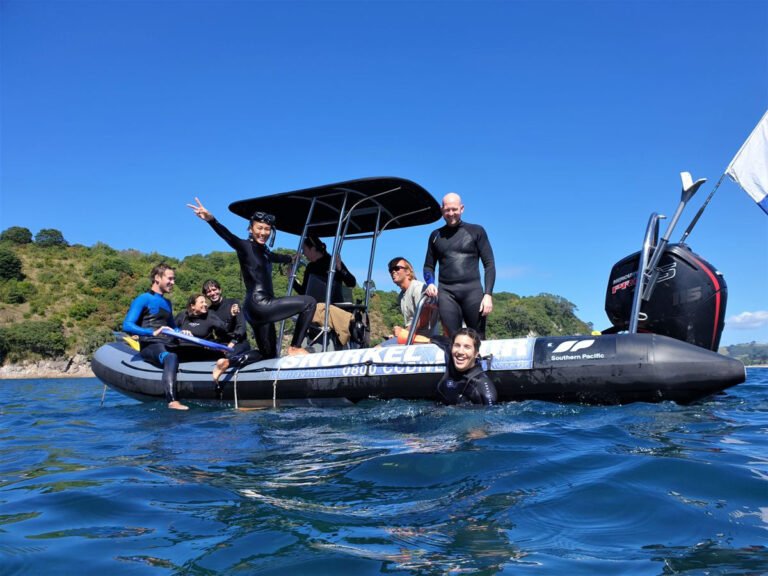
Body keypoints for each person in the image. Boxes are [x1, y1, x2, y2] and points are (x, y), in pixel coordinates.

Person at [188, 197, 316, 359]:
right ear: (250, 229)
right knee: (309, 303)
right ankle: (296, 347)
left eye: (267, 229)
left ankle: (231, 362)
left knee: (268, 355)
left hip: (253, 309)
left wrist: (291, 258)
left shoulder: (265, 252)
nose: (263, 233)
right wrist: (211, 220)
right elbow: (228, 236)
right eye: (259, 228)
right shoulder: (245, 246)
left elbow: (276, 256)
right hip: (261, 304)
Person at [423, 192, 496, 339]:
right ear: (442, 209)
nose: (451, 213)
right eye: (447, 210)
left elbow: (489, 264)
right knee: (452, 338)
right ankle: (452, 362)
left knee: (477, 338)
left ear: (461, 209)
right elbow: (428, 266)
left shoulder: (476, 231)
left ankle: (478, 362)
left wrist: (488, 295)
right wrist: (430, 283)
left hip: (472, 291)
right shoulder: (435, 236)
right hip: (447, 293)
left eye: (454, 209)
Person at [123, 263, 189, 410]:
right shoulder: (143, 299)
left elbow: (172, 326)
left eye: (174, 279)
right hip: (150, 344)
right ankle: (172, 401)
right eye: (170, 279)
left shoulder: (167, 302)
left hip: (167, 343)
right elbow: (127, 325)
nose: (173, 282)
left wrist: (182, 332)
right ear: (157, 278)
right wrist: (151, 332)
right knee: (170, 357)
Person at [436, 328, 497, 406]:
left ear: (476, 354)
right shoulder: (450, 357)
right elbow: (440, 340)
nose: (460, 352)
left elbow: (491, 414)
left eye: (467, 347)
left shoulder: (482, 386)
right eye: (457, 345)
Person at [387, 256, 438, 343]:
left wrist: (403, 332)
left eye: (396, 268)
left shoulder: (418, 288)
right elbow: (411, 322)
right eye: (390, 270)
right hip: (411, 338)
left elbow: (423, 318)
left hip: (425, 340)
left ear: (407, 271)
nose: (393, 271)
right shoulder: (401, 296)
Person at [293, 234, 356, 302]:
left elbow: (352, 283)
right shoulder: (310, 267)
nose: (303, 253)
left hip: (334, 307)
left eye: (304, 250)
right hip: (315, 307)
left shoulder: (333, 262)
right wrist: (292, 280)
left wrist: (340, 269)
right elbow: (304, 292)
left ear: (313, 249)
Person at [174, 293, 230, 360]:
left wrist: (231, 316)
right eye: (202, 302)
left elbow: (225, 329)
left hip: (202, 350)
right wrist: (180, 332)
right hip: (183, 349)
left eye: (205, 302)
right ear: (192, 306)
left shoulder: (210, 315)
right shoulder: (183, 315)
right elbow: (171, 329)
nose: (205, 304)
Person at [201, 279, 249, 355]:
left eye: (214, 289)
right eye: (209, 291)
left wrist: (232, 343)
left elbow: (241, 327)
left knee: (228, 356)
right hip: (222, 343)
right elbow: (209, 332)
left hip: (239, 342)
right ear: (206, 294)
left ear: (220, 290)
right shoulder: (209, 311)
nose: (213, 293)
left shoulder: (233, 303)